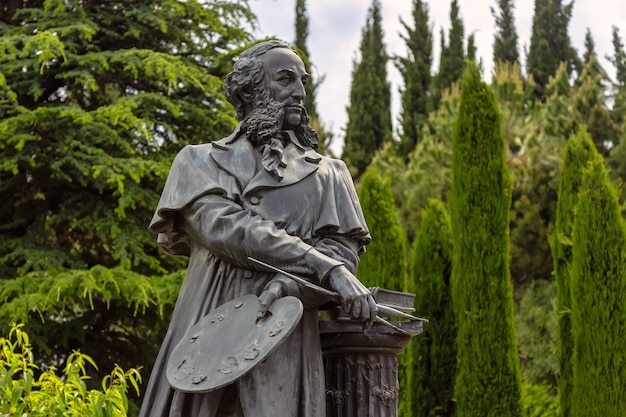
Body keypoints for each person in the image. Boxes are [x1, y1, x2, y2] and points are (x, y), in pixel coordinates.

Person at [140, 40, 377, 417]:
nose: (299, 92)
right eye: (285, 79)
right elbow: (231, 231)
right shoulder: (198, 162)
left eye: (303, 81)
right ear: (251, 89)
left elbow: (343, 257)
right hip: (207, 330)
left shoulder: (331, 175)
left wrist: (291, 285)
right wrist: (323, 266)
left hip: (285, 338)